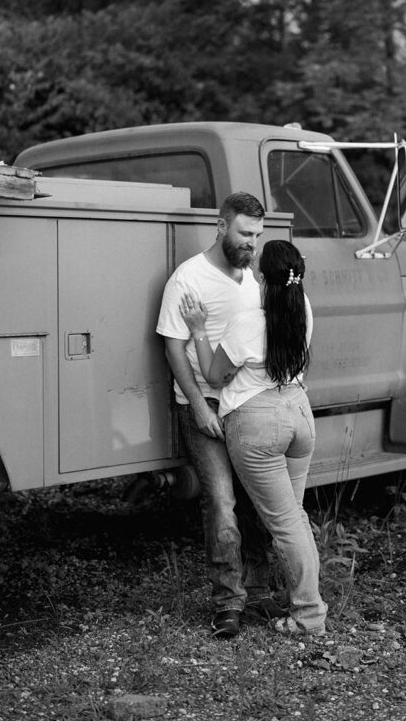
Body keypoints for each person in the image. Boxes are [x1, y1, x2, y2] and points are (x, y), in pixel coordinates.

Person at [180, 239, 327, 637]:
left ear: (262, 277)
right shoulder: (304, 308)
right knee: (293, 519)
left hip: (258, 422)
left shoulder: (250, 321)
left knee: (285, 525)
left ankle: (310, 615)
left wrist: (197, 330)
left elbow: (213, 374)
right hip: (299, 413)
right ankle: (303, 601)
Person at [156, 191, 285, 640]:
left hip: (246, 405)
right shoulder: (187, 279)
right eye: (245, 233)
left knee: (255, 497)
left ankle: (260, 590)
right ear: (221, 225)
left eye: (258, 235)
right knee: (222, 503)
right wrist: (194, 404)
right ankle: (227, 604)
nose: (252, 243)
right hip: (206, 407)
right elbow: (173, 346)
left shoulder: (253, 280)